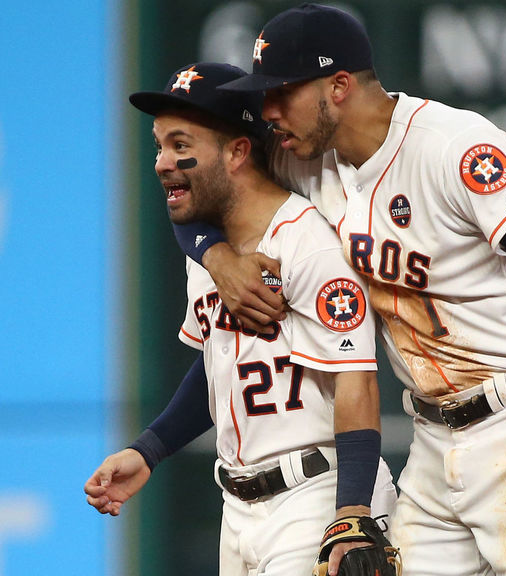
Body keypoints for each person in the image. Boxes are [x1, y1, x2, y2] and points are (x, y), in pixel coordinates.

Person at [175, 4, 506, 575]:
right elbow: (198, 184)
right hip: (432, 439)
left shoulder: (451, 146)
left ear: (338, 86)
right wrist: (215, 257)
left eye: (281, 93)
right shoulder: (305, 160)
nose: (267, 113)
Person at [83, 61, 397, 576]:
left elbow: (356, 382)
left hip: (314, 496)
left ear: (237, 151)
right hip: (239, 510)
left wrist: (352, 513)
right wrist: (150, 449)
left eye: (182, 146)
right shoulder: (207, 254)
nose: (163, 162)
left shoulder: (306, 242)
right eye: (159, 146)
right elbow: (219, 364)